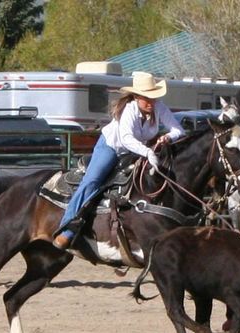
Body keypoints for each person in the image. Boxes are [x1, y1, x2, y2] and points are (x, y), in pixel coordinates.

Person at [53, 72, 185, 250]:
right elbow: (126, 138)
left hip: (136, 150)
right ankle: (66, 229)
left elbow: (178, 129)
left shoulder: (158, 107)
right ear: (137, 96)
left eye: (153, 97)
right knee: (92, 181)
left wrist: (167, 137)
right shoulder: (129, 109)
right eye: (147, 98)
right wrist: (147, 152)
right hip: (112, 148)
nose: (150, 102)